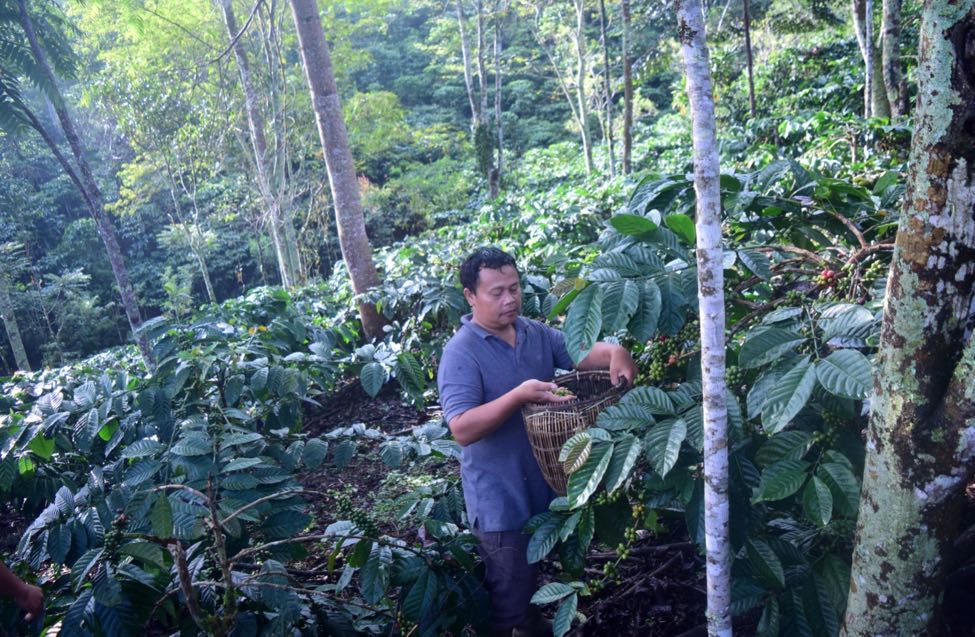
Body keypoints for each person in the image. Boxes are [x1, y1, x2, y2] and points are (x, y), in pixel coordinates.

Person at [437, 247, 637, 637]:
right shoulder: (460, 353)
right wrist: (517, 396)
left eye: (514, 289)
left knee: (536, 586)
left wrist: (616, 351)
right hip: (500, 500)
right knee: (509, 601)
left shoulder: (533, 332)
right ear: (470, 296)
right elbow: (461, 428)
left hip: (546, 489)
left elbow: (580, 354)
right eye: (496, 292)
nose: (509, 299)